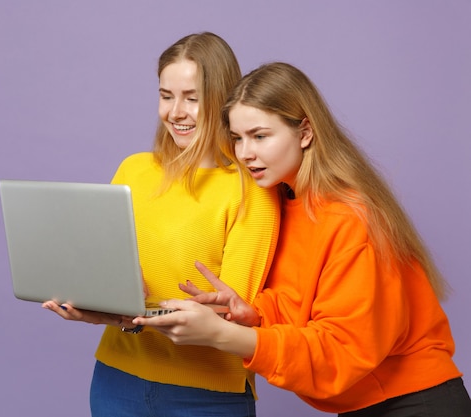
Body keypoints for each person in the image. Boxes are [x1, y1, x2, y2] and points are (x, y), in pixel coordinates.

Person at [135, 62, 471, 416]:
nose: (245, 152)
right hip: (367, 402)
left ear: (305, 133)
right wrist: (254, 313)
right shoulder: (284, 201)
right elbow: (304, 301)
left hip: (415, 402)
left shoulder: (350, 217)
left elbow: (341, 349)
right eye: (237, 137)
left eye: (260, 136)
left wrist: (221, 335)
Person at [42, 33, 280, 417]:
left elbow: (234, 312)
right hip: (116, 379)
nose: (176, 112)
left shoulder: (250, 188)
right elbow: (109, 271)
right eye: (166, 95)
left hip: (207, 396)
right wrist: (101, 306)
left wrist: (129, 316)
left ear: (222, 100)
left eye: (192, 97)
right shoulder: (133, 169)